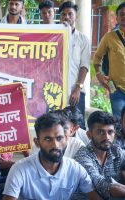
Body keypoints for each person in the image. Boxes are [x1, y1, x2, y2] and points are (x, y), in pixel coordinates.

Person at [2, 113, 101, 200]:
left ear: (66, 139)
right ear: (37, 142)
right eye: (48, 139)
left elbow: (94, 196)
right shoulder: (20, 170)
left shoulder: (76, 169)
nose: (55, 145)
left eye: (59, 138)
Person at [74, 111, 125, 199]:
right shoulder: (82, 157)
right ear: (89, 135)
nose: (106, 137)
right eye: (100, 132)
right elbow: (103, 186)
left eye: (110, 132)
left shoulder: (117, 152)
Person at [59, 1, 90, 129]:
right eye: (63, 14)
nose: (66, 17)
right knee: (58, 126)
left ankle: (80, 150)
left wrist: (78, 88)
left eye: (70, 14)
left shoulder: (82, 39)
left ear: (76, 17)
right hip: (56, 91)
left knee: (78, 126)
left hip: (75, 91)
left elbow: (84, 65)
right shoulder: (52, 37)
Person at [93, 2, 125, 118]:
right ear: (117, 17)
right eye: (121, 14)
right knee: (119, 123)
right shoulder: (109, 37)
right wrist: (99, 74)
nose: (124, 17)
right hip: (117, 89)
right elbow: (97, 58)